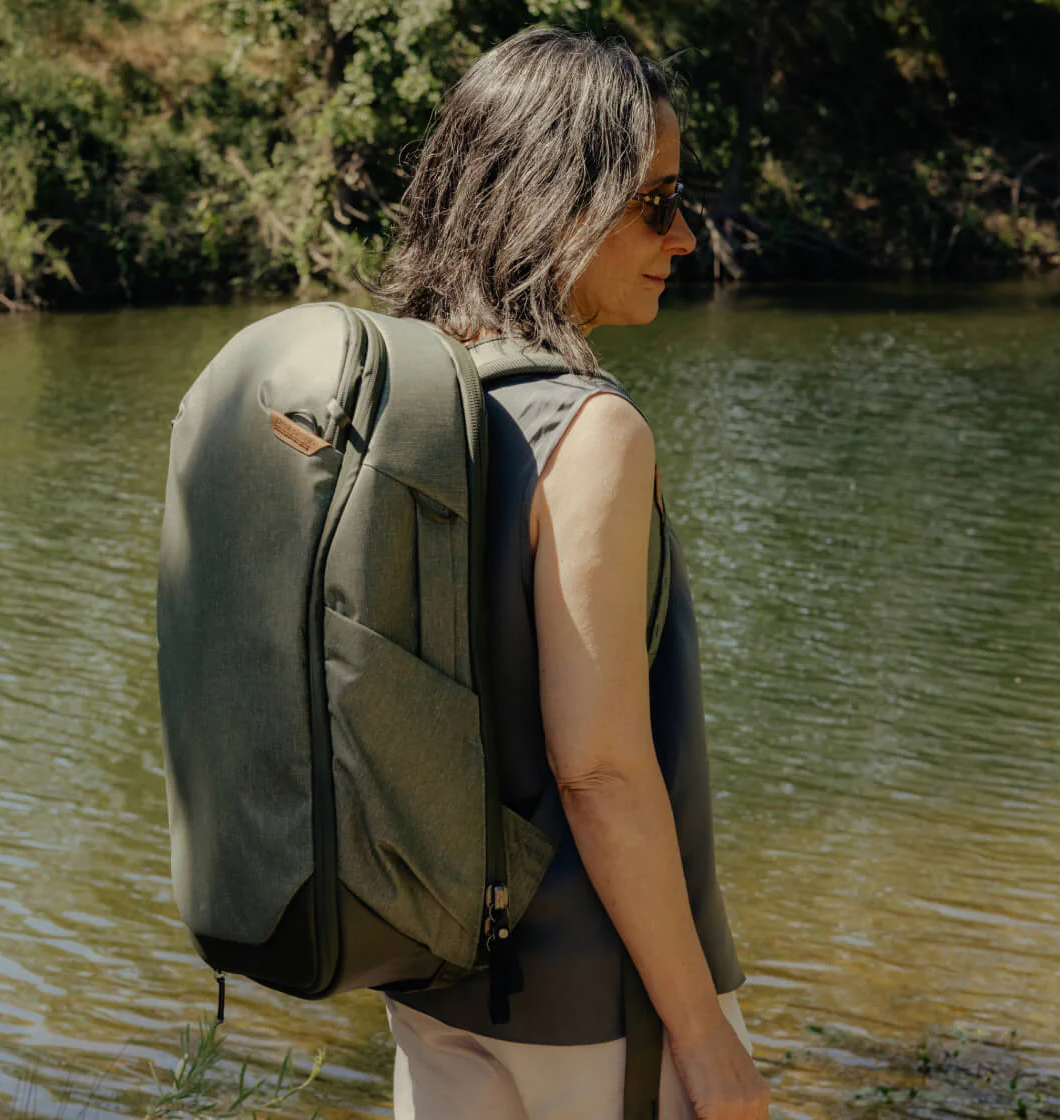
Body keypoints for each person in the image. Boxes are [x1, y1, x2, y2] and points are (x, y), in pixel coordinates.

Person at [373, 26, 772, 1120]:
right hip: (598, 1005)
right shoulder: (588, 429)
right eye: (656, 200)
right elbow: (595, 769)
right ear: (558, 200)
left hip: (429, 975)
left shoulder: (399, 402)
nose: (684, 235)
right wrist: (704, 1039)